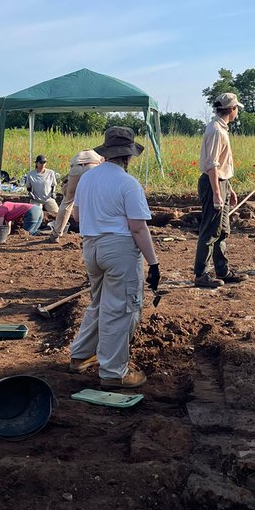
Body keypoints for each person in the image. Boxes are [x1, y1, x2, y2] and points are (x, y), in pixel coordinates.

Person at [67, 127, 159, 388]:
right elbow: (138, 227)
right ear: (128, 156)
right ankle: (113, 372)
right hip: (118, 249)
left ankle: (81, 355)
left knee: (99, 302)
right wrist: (153, 263)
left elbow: (77, 217)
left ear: (107, 152)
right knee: (121, 309)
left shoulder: (87, 179)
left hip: (91, 247)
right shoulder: (128, 183)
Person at [193, 93, 246, 289]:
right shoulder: (216, 130)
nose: (237, 111)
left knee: (222, 230)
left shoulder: (221, 128)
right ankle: (201, 274)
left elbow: (220, 166)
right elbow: (212, 166)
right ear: (231, 109)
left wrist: (227, 188)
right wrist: (217, 193)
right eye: (236, 108)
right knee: (210, 230)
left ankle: (222, 270)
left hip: (220, 182)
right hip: (212, 183)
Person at [50, 149, 103, 241]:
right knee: (92, 200)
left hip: (75, 168)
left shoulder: (78, 155)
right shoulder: (98, 155)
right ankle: (92, 232)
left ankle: (56, 234)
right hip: (92, 167)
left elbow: (70, 173)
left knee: (67, 201)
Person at [20, 155, 59, 222]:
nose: (42, 164)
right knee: (34, 215)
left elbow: (53, 185)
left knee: (57, 214)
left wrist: (53, 193)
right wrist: (30, 193)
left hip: (48, 198)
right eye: (41, 163)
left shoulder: (50, 173)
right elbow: (29, 187)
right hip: (36, 199)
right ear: (36, 163)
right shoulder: (31, 174)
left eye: (44, 163)